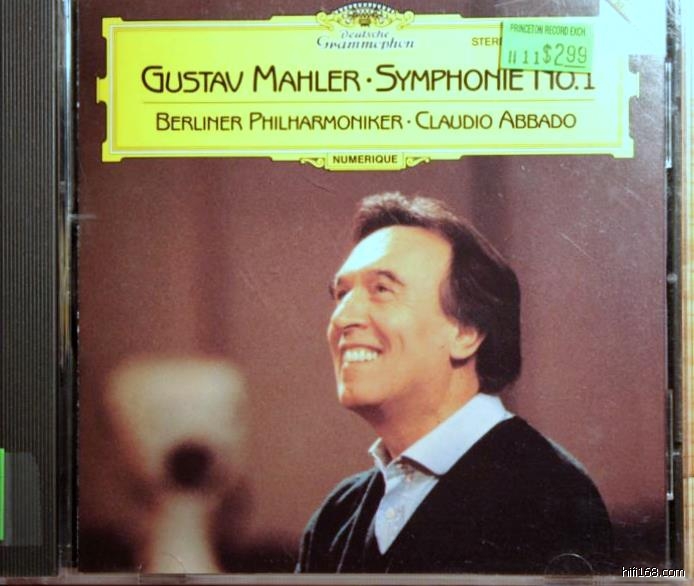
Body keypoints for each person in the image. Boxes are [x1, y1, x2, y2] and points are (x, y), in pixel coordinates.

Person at [296, 193, 612, 574]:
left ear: (466, 331)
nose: (342, 317)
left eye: (381, 289)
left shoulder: (549, 497)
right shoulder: (335, 519)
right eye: (342, 294)